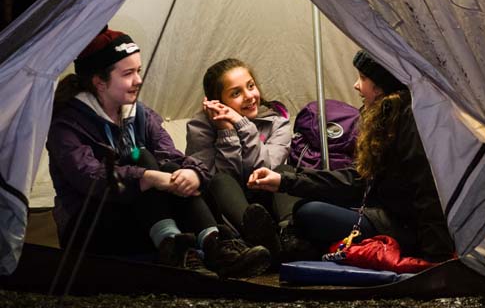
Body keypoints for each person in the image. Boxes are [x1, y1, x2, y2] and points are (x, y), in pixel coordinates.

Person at [47, 27, 271, 278]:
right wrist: (148, 177)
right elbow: (90, 177)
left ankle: (212, 243)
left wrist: (192, 174)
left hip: (144, 221)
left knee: (168, 168)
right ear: (100, 82)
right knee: (143, 162)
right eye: (128, 73)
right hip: (92, 226)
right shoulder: (67, 124)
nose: (138, 80)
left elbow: (172, 157)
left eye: (139, 71)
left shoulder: (139, 114)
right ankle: (177, 247)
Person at [248, 50, 455, 262]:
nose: (357, 85)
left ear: (382, 85)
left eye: (363, 78)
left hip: (407, 229)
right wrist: (284, 181)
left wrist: (436, 257)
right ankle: (291, 243)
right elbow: (357, 178)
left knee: (308, 212)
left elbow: (427, 189)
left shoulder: (409, 120)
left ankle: (284, 243)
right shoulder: (385, 117)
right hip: (381, 212)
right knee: (295, 189)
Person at [185, 58, 296, 258]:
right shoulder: (200, 127)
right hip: (229, 214)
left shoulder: (277, 124)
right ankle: (255, 239)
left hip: (269, 205)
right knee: (221, 181)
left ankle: (290, 237)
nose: (249, 96)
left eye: (251, 86)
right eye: (236, 93)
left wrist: (243, 125)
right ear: (216, 101)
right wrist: (226, 132)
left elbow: (263, 170)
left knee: (285, 173)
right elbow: (215, 180)